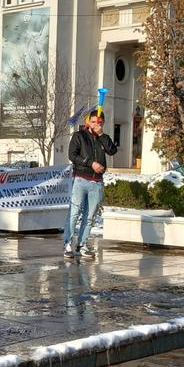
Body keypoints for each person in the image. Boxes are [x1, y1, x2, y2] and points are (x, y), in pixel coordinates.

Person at [64, 111, 118, 259]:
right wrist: (90, 163)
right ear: (88, 122)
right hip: (80, 179)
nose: (95, 125)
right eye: (93, 122)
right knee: (74, 213)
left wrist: (101, 135)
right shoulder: (79, 136)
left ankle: (82, 245)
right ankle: (67, 243)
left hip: (97, 182)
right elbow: (72, 155)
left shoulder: (103, 138)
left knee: (90, 216)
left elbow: (112, 150)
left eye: (99, 123)